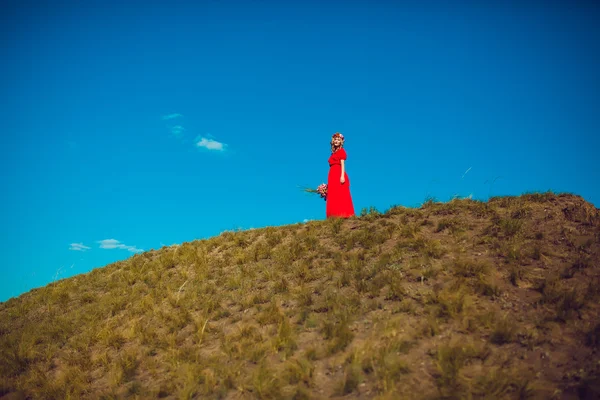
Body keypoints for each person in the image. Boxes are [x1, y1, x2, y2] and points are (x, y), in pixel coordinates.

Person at [326, 132, 355, 218]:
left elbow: (343, 164)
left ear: (341, 142)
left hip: (338, 172)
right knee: (333, 193)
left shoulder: (342, 151)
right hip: (332, 174)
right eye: (335, 139)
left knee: (340, 193)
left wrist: (342, 176)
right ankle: (334, 215)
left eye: (338, 140)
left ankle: (343, 213)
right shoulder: (333, 153)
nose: (336, 141)